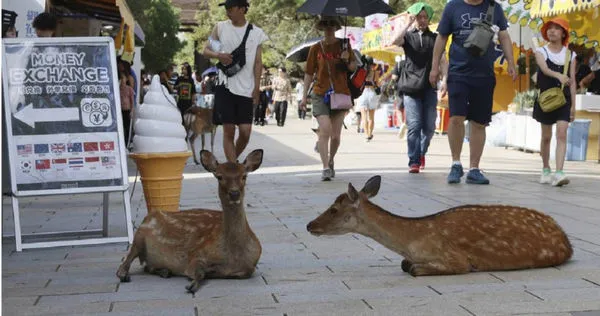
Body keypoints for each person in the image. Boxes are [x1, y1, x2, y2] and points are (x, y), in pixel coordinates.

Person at [431, 0, 517, 184]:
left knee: (479, 122)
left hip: (484, 74)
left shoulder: (494, 8)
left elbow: (504, 36)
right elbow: (441, 38)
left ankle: (474, 169)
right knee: (456, 118)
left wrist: (511, 62)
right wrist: (434, 67)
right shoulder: (453, 7)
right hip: (458, 72)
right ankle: (455, 164)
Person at [203, 0, 268, 162]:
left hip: (247, 88)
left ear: (242, 9)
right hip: (225, 86)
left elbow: (258, 62)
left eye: (230, 8)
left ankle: (231, 162)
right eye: (226, 8)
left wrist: (257, 87)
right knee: (229, 130)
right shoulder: (220, 28)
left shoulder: (256, 33)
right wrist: (219, 55)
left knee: (245, 132)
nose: (227, 12)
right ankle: (233, 166)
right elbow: (206, 50)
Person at [299, 16, 357, 181]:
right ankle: (325, 167)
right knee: (325, 130)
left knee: (336, 136)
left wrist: (347, 60)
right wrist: (304, 97)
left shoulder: (344, 45)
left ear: (337, 27)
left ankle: (331, 160)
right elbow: (309, 73)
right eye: (326, 24)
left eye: (332, 24)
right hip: (320, 93)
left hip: (341, 93)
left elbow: (353, 67)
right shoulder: (316, 49)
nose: (329, 27)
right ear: (322, 27)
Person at [391, 3, 446, 173]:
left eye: (425, 17)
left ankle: (422, 152)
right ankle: (413, 161)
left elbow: (443, 60)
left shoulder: (436, 37)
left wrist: (445, 80)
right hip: (410, 87)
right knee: (414, 125)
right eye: (419, 17)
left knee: (429, 127)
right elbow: (394, 40)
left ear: (429, 19)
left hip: (430, 87)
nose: (422, 20)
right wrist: (407, 23)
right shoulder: (408, 36)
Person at [533, 18, 576, 187]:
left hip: (563, 100)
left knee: (562, 134)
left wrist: (573, 105)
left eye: (557, 29)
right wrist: (559, 76)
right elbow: (544, 69)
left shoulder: (570, 54)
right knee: (546, 137)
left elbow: (572, 80)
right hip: (545, 99)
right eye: (549, 28)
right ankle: (545, 168)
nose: (552, 31)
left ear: (563, 33)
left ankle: (559, 172)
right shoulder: (541, 51)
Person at [355, 56, 381, 142]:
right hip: (372, 93)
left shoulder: (362, 71)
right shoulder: (375, 72)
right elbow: (378, 83)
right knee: (371, 117)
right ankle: (370, 133)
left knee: (364, 116)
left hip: (363, 93)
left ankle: (366, 135)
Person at [119, 72, 135, 146]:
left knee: (127, 127)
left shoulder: (129, 89)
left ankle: (127, 143)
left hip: (127, 110)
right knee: (121, 127)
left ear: (126, 79)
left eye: (123, 78)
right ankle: (121, 142)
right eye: (120, 78)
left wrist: (132, 111)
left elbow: (132, 101)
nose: (122, 80)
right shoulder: (117, 89)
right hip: (119, 111)